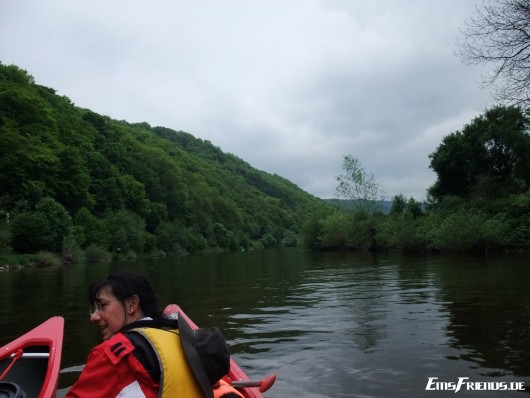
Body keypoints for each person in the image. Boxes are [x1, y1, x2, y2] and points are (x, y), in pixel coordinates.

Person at [66, 271, 243, 398]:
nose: (94, 317)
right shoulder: (177, 335)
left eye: (102, 306)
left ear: (132, 304)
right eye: (94, 309)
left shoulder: (113, 354)